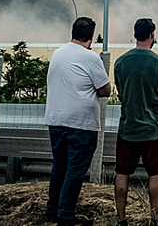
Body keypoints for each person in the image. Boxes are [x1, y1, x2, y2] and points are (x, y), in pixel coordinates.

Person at [44, 17, 112, 226]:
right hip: (80, 124)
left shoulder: (58, 53)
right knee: (75, 170)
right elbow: (105, 90)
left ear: (72, 32)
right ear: (92, 37)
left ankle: (53, 210)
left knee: (60, 167)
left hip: (56, 120)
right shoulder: (90, 58)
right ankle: (66, 216)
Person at [113, 18, 158, 226]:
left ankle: (121, 219)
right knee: (155, 173)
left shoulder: (120, 62)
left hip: (127, 127)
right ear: (152, 35)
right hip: (153, 128)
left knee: (122, 173)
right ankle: (155, 219)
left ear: (135, 34)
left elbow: (120, 92)